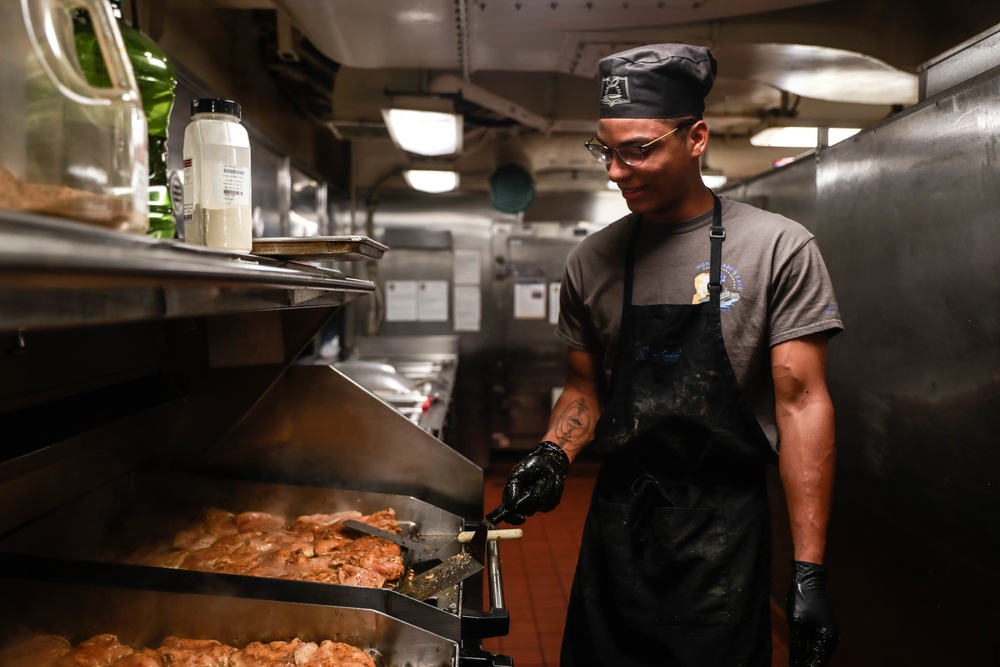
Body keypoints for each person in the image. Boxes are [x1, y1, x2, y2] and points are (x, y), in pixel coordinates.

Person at [488, 44, 842, 667]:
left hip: (725, 536)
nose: (616, 171)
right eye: (606, 149)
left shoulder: (777, 249)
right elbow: (584, 387)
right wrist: (553, 451)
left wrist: (808, 571)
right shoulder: (591, 261)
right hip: (617, 531)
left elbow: (802, 403)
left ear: (696, 137)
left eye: (639, 149)